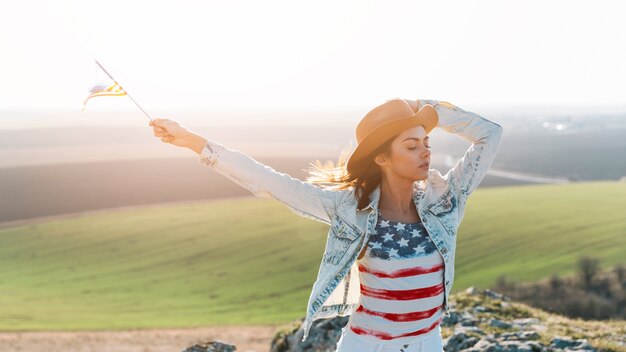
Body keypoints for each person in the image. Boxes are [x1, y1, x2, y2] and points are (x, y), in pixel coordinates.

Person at [149, 98, 503, 352]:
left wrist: (429, 111)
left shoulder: (447, 200)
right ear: (381, 157)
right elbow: (269, 181)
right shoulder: (350, 209)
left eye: (427, 142)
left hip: (428, 342)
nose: (426, 152)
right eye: (412, 146)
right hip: (368, 346)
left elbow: (490, 134)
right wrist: (195, 142)